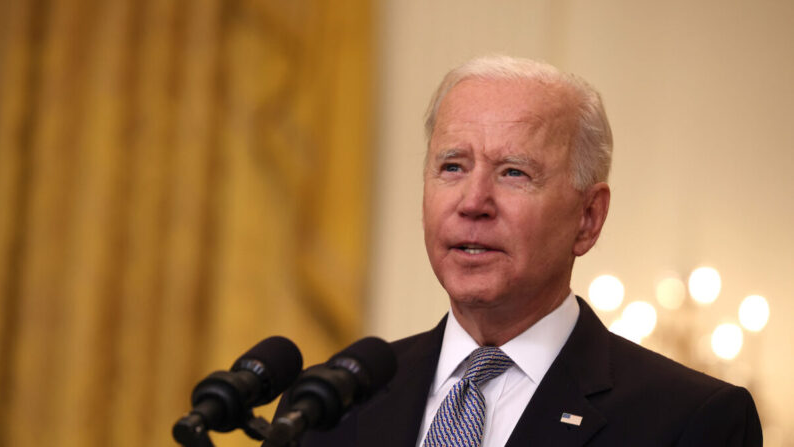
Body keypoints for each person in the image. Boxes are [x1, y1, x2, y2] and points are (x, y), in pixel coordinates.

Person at [290, 55, 763, 446]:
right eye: (453, 166)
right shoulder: (330, 402)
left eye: (514, 173)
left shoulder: (693, 421)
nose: (473, 202)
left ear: (588, 218)